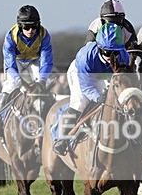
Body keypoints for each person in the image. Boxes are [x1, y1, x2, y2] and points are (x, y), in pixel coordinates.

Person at [53, 22, 130, 156]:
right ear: (99, 47)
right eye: (106, 51)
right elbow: (87, 86)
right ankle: (62, 139)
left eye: (115, 52)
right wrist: (99, 98)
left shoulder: (124, 56)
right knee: (80, 103)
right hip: (82, 74)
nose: (110, 55)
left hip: (104, 75)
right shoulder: (86, 57)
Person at [0, 5, 54, 138]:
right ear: (20, 26)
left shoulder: (44, 35)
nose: (31, 30)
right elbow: (10, 65)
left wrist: (42, 80)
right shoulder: (10, 37)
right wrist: (19, 81)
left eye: (34, 26)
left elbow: (46, 61)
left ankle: (52, 119)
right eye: (26, 27)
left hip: (34, 61)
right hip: (16, 63)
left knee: (44, 87)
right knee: (10, 87)